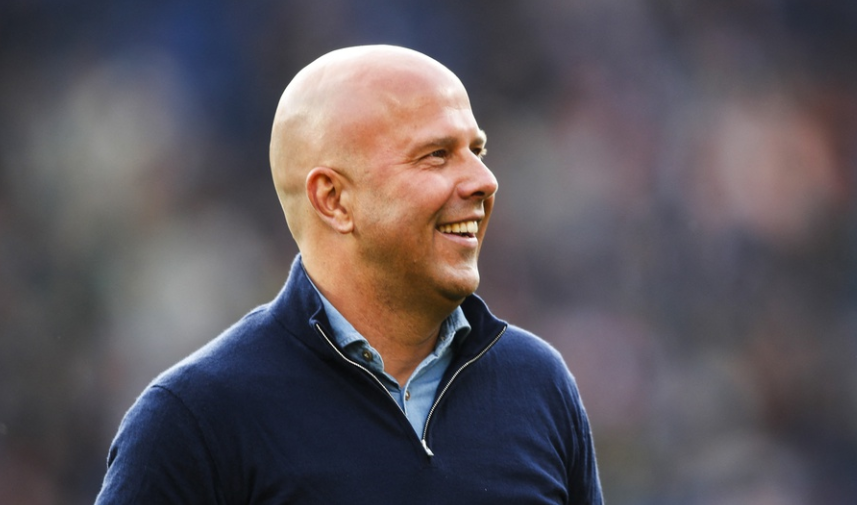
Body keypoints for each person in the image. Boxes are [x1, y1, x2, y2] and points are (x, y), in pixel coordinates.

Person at [95, 44, 604, 504]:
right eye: (436, 155)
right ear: (333, 200)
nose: (483, 180)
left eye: (477, 151)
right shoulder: (194, 420)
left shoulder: (538, 384)